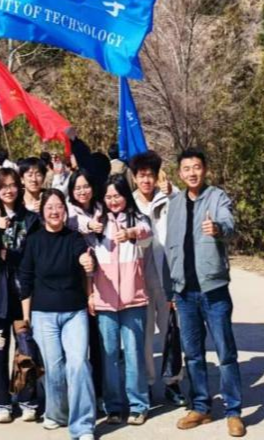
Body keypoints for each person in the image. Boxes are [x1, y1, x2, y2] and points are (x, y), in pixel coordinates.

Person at [164, 149, 245, 437]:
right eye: (186, 168)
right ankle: (200, 406)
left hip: (213, 289)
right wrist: (171, 290)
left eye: (196, 167)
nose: (192, 173)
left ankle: (234, 411)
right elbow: (169, 247)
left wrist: (218, 228)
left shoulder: (217, 197)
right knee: (193, 354)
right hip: (184, 292)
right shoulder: (174, 203)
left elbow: (230, 225)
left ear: (205, 169)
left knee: (225, 352)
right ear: (180, 173)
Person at [20, 189, 97, 440]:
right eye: (50, 207)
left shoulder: (74, 238)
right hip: (43, 314)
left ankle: (83, 425)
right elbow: (25, 280)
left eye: (59, 206)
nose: (55, 211)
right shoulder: (34, 241)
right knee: (53, 370)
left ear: (65, 210)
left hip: (74, 312)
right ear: (42, 212)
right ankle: (58, 413)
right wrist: (26, 318)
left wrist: (87, 263)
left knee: (78, 364)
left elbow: (84, 259)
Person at [0, 167, 41, 423]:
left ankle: (27, 399)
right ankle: (2, 402)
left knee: (26, 348)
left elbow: (33, 253)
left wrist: (11, 255)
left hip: (22, 293)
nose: (9, 190)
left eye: (13, 184)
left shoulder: (31, 219)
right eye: (3, 186)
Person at [89, 175, 152, 425]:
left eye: (117, 195)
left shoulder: (138, 219)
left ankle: (138, 405)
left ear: (126, 195)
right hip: (105, 299)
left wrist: (131, 233)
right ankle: (113, 406)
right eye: (108, 196)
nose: (113, 201)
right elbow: (86, 249)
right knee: (110, 356)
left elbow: (148, 234)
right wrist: (90, 293)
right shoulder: (97, 221)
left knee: (134, 353)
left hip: (133, 298)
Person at [128, 150, 185, 406]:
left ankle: (172, 382)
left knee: (171, 330)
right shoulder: (129, 203)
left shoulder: (169, 197)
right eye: (141, 176)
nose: (146, 180)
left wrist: (172, 192)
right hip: (139, 279)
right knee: (144, 335)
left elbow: (184, 212)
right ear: (134, 177)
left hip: (167, 275)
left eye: (150, 175)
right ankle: (149, 383)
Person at [64, 169, 105, 399]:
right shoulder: (68, 210)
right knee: (79, 343)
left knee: (99, 340)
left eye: (86, 186)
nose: (82, 191)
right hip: (78, 280)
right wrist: (90, 225)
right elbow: (73, 222)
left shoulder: (101, 207)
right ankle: (78, 391)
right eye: (77, 187)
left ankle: (99, 391)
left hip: (103, 279)